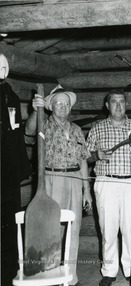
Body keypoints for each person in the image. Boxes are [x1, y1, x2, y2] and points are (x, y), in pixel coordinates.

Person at [25, 84, 92, 286]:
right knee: (52, 228)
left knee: (74, 228)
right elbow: (29, 130)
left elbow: (83, 161)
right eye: (58, 103)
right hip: (51, 180)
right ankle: (50, 275)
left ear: (70, 108)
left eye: (66, 104)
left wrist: (86, 191)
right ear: (50, 106)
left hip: (75, 181)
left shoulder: (77, 130)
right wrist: (35, 110)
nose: (63, 107)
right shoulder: (43, 124)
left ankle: (70, 278)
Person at [86, 89, 131, 286]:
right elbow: (85, 156)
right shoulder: (97, 129)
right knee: (108, 229)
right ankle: (109, 270)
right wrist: (97, 156)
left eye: (122, 102)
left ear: (126, 104)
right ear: (107, 105)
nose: (118, 106)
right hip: (106, 182)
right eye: (114, 102)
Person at [1, 53, 32, 286]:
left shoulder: (10, 94)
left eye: (3, 66)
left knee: (9, 222)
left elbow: (16, 131)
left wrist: (22, 166)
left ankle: (9, 271)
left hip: (8, 171)